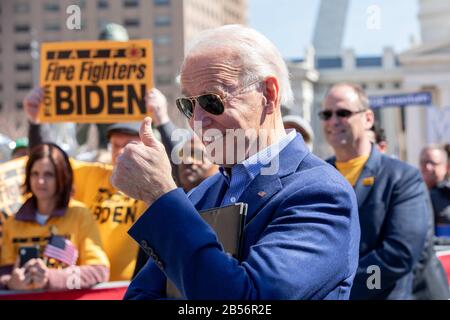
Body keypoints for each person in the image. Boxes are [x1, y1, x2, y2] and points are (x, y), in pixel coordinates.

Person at [112, 25, 360, 300]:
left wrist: (161, 196)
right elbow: (140, 295)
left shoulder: (321, 192)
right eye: (188, 105)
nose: (197, 120)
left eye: (211, 100)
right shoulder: (202, 194)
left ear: (269, 94)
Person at [321, 83, 445, 299]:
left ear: (368, 118)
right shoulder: (316, 176)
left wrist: (344, 287)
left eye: (343, 113)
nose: (333, 121)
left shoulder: (403, 177)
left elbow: (399, 255)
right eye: (326, 114)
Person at [22, 90, 149, 282]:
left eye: (130, 144)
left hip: (133, 288)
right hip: (89, 287)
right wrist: (36, 122)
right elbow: (49, 161)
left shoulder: (154, 187)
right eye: (116, 145)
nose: (122, 151)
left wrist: (163, 120)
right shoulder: (93, 175)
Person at [0, 143, 109, 290]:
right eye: (35, 173)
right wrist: (10, 283)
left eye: (48, 174)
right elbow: (4, 272)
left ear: (62, 176)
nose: (40, 181)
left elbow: (99, 271)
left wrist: (50, 278)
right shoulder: (12, 222)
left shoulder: (80, 214)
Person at [420, 145, 450, 238]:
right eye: (424, 162)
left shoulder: (447, 195)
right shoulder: (411, 193)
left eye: (433, 163)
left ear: (446, 167)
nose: (428, 167)